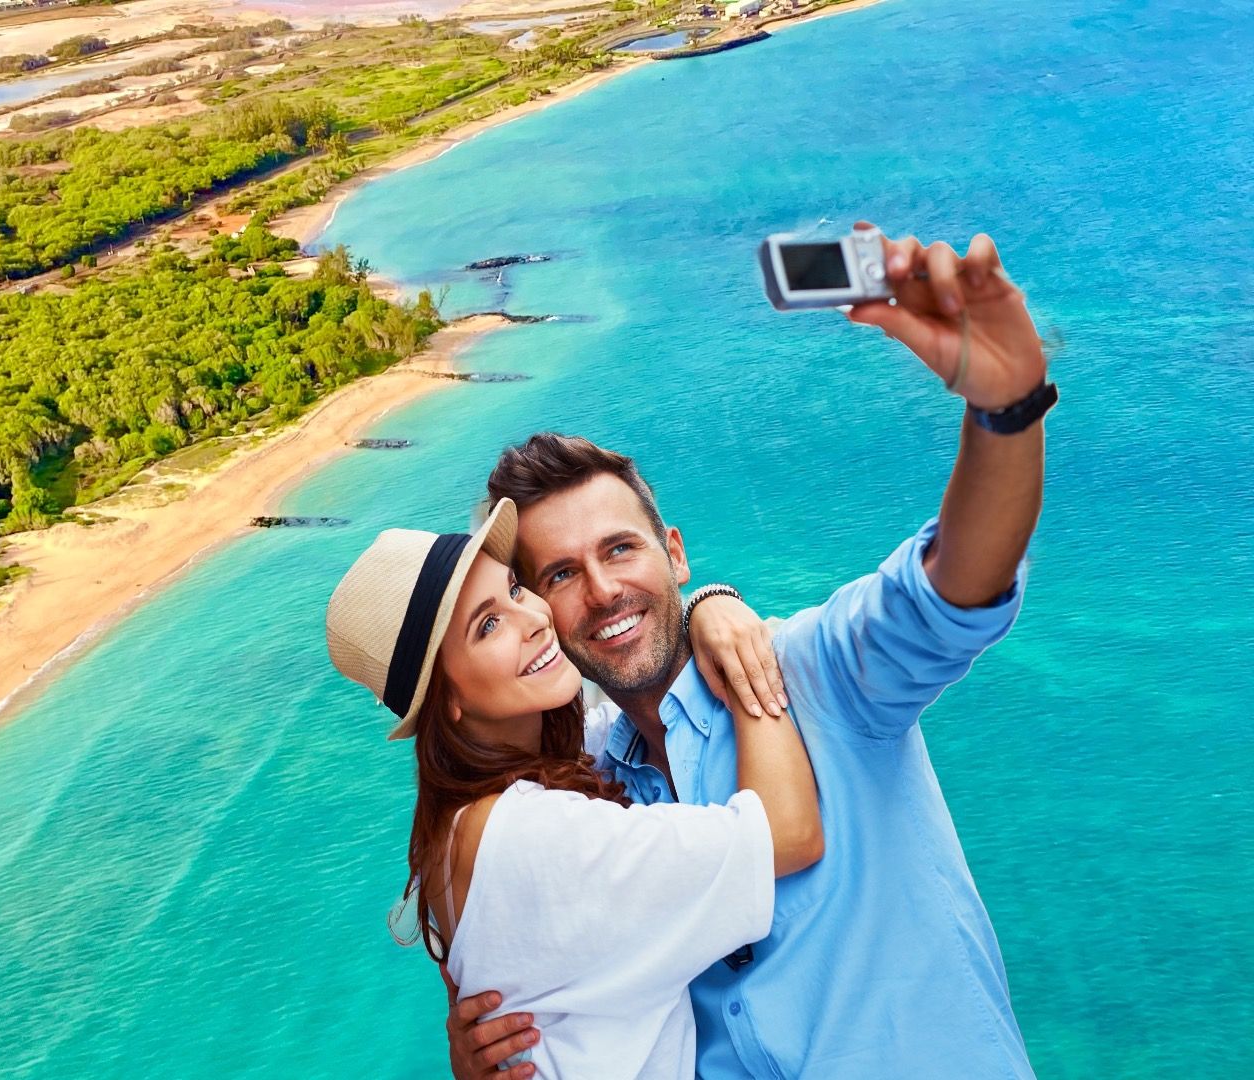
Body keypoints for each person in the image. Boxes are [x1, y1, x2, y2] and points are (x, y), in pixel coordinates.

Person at [447, 227, 1055, 1078]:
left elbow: (958, 584)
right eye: (558, 574)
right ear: (539, 611)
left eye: (621, 550)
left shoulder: (818, 674)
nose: (603, 591)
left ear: (677, 554)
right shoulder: (577, 790)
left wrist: (1006, 409)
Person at [325, 496, 824, 1078]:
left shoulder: (463, 821)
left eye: (515, 589)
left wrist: (702, 606)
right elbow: (786, 834)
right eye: (488, 626)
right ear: (449, 698)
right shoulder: (533, 837)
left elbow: (623, 716)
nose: (534, 618)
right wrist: (739, 644)